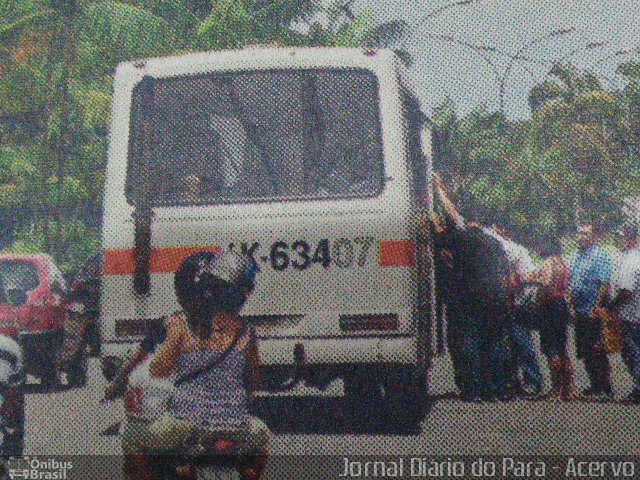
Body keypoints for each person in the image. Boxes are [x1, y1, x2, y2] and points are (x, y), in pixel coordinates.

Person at [144, 251, 270, 480]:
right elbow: (252, 383)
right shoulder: (246, 332)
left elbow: (157, 371)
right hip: (235, 427)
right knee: (260, 439)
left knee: (138, 439)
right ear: (242, 294)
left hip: (185, 425)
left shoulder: (181, 325)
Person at [429, 176, 513, 401]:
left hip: (468, 298)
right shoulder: (494, 243)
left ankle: (472, 390)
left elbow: (441, 232)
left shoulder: (461, 238)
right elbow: (506, 274)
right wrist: (506, 299)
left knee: (468, 343)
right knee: (493, 343)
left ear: (469, 222)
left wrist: (434, 217)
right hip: (494, 298)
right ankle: (495, 388)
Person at [485, 226, 543, 399]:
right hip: (514, 303)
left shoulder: (511, 249)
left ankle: (532, 380)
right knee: (514, 345)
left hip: (518, 305)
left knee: (522, 343)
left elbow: (527, 276)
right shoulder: (515, 248)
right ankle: (519, 381)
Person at [567, 224, 613, 398]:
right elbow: (570, 283)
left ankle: (605, 387)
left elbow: (604, 283)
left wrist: (597, 306)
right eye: (579, 233)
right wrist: (570, 305)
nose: (582, 237)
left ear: (593, 236)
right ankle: (594, 384)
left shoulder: (600, 256)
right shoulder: (574, 256)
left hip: (593, 309)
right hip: (579, 309)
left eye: (586, 234)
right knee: (584, 350)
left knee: (597, 349)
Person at [527, 237, 575, 400]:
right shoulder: (562, 262)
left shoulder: (548, 263)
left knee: (550, 348)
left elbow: (546, 283)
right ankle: (569, 388)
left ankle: (557, 388)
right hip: (561, 304)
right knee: (562, 347)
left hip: (549, 306)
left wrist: (533, 281)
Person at [609, 224, 640, 403]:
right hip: (634, 314)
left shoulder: (631, 260)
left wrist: (612, 306)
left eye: (621, 237)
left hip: (631, 315)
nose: (618, 241)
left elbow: (626, 291)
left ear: (631, 239)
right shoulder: (629, 258)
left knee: (632, 353)